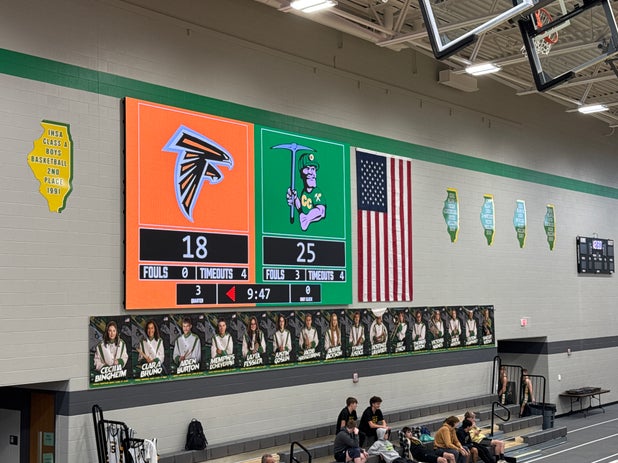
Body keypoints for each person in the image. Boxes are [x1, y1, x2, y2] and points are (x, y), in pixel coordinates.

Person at [286, 152, 326, 231]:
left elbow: (321, 211)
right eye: (307, 169)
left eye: (313, 169)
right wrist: (295, 199)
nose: (311, 172)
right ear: (301, 173)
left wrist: (306, 218)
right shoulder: (304, 192)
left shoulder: (316, 192)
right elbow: (301, 208)